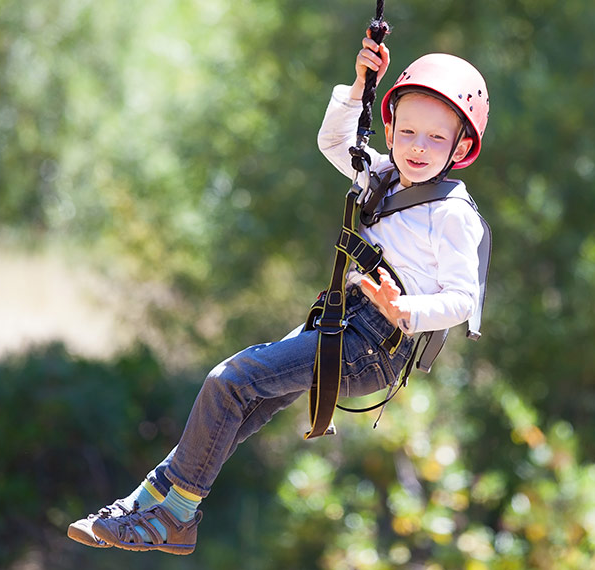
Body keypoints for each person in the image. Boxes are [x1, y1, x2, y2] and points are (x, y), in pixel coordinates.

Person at [66, 31, 490, 555]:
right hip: (342, 321)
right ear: (391, 129)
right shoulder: (382, 174)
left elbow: (463, 299)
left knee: (231, 380)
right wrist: (360, 83)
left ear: (461, 147)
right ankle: (147, 503)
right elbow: (334, 142)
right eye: (407, 133)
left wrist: (406, 309)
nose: (417, 148)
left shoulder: (451, 214)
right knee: (243, 406)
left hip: (377, 344)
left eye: (435, 139)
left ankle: (175, 517)